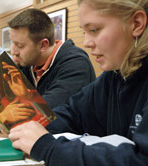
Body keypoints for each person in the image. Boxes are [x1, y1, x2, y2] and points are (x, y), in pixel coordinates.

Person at [8, 0, 148, 165]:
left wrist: (47, 147)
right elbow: (73, 113)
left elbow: (141, 159)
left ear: (136, 24)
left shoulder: (78, 63)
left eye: (94, 30)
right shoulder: (114, 75)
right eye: (84, 32)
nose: (86, 43)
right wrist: (28, 126)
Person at [8, 8, 96, 109]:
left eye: (19, 45)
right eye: (12, 42)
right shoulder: (28, 62)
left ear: (43, 45)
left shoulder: (76, 64)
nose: (13, 51)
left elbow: (46, 112)